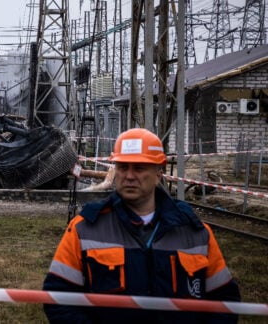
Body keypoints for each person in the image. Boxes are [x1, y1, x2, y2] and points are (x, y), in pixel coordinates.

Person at [42, 128, 241, 323]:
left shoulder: (195, 233)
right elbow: (58, 298)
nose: (129, 176)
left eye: (139, 168)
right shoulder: (84, 229)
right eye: (122, 167)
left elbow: (224, 301)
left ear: (158, 174)